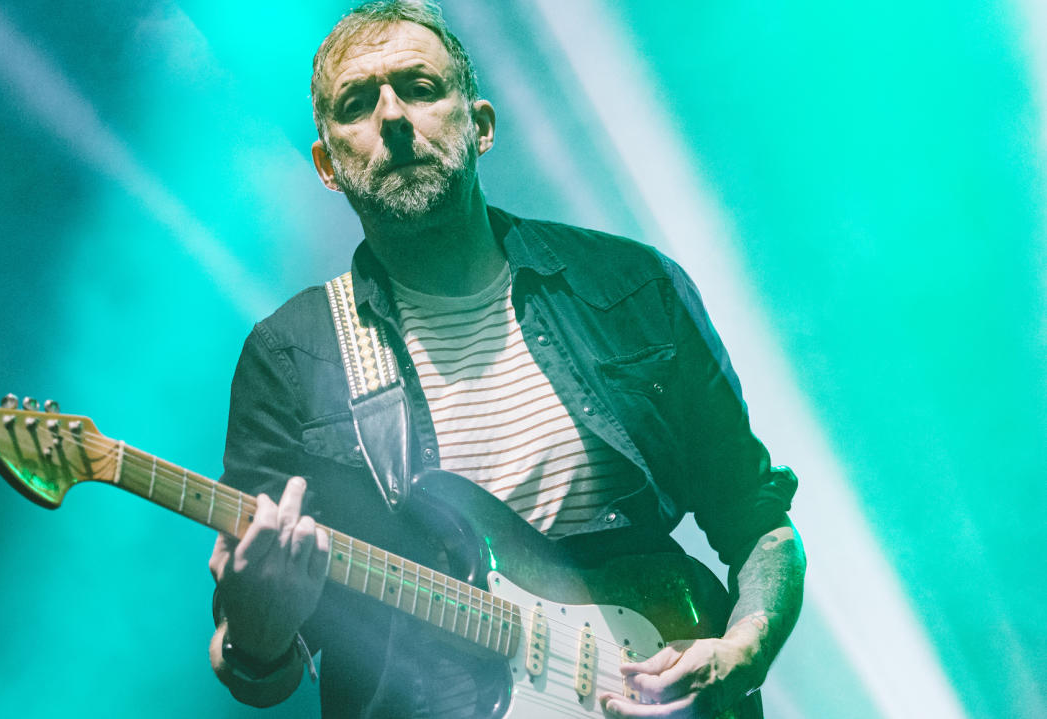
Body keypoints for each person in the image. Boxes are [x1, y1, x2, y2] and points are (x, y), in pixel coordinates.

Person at [207, 2, 805, 717]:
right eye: (357, 103)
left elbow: (758, 520)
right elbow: (260, 666)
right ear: (328, 165)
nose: (393, 116)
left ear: (481, 126)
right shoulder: (291, 355)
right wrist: (257, 626)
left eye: (420, 88)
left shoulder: (632, 286)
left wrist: (742, 650)